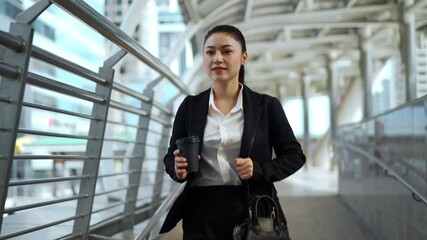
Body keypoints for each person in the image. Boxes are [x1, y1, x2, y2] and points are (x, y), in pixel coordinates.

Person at [160, 24, 306, 240]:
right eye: (210, 52)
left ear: (244, 57)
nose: (217, 58)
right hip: (200, 212)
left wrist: (258, 169)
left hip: (250, 208)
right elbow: (170, 158)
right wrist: (178, 169)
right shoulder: (190, 107)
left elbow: (295, 156)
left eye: (226, 51)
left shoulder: (266, 106)